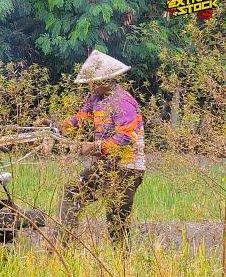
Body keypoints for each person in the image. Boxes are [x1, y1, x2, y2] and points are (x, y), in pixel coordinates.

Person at [39, 50, 146, 250]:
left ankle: (122, 266)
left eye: (93, 81)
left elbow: (126, 137)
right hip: (105, 164)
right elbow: (79, 120)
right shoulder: (95, 99)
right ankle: (63, 246)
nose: (90, 86)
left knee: (116, 219)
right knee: (72, 193)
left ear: (106, 80)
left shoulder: (123, 101)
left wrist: (94, 146)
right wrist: (53, 125)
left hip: (126, 168)